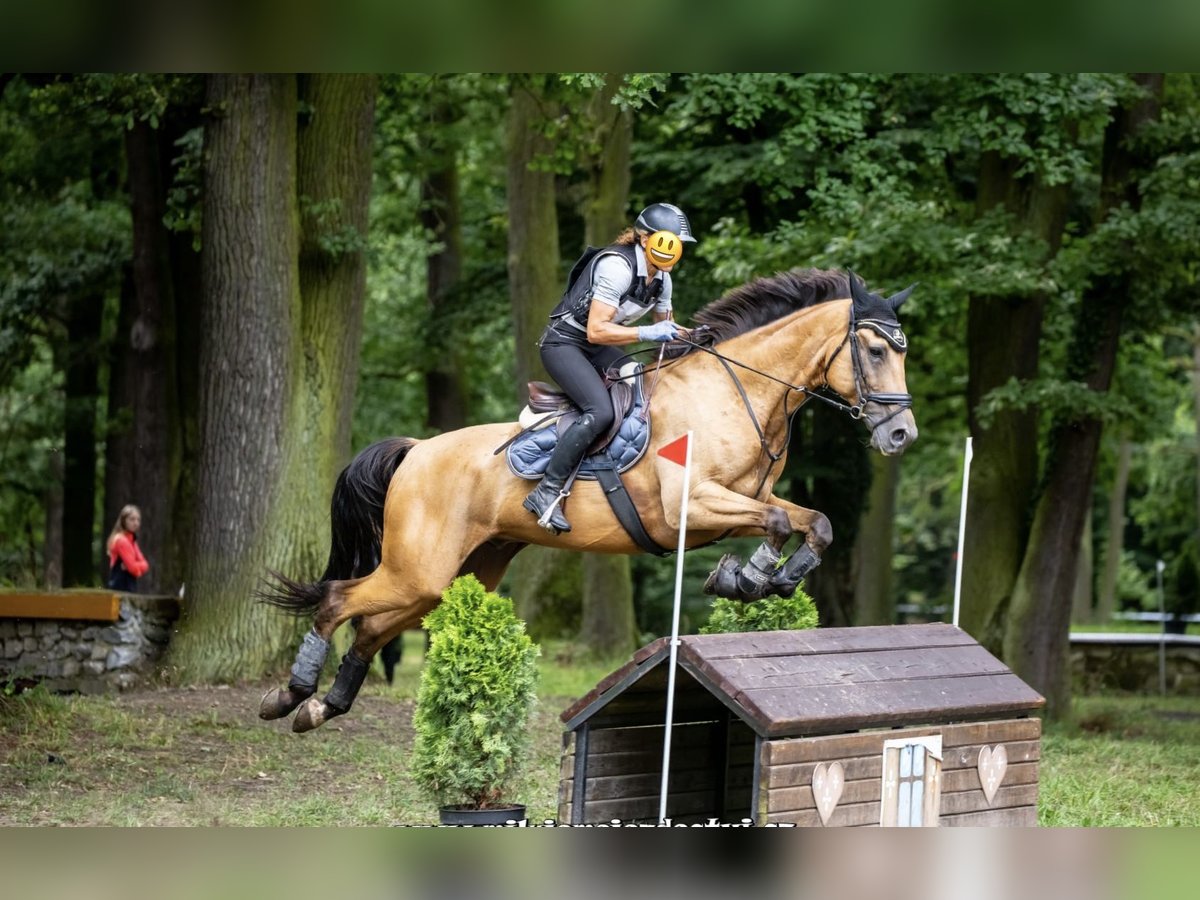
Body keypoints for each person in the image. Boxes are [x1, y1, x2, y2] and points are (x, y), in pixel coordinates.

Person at [524, 202, 696, 534]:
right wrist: (647, 332)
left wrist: (700, 337)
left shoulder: (662, 280)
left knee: (643, 388)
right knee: (600, 410)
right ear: (645, 239)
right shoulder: (617, 267)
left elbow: (668, 331)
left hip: (597, 347)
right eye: (669, 242)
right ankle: (546, 491)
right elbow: (596, 330)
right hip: (566, 345)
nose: (675, 253)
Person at [106, 504, 149, 592]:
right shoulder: (121, 540)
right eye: (132, 519)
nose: (136, 523)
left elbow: (145, 564)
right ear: (123, 521)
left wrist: (136, 570)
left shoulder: (132, 540)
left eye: (138, 519)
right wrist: (137, 569)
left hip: (129, 586)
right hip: (120, 587)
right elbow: (133, 567)